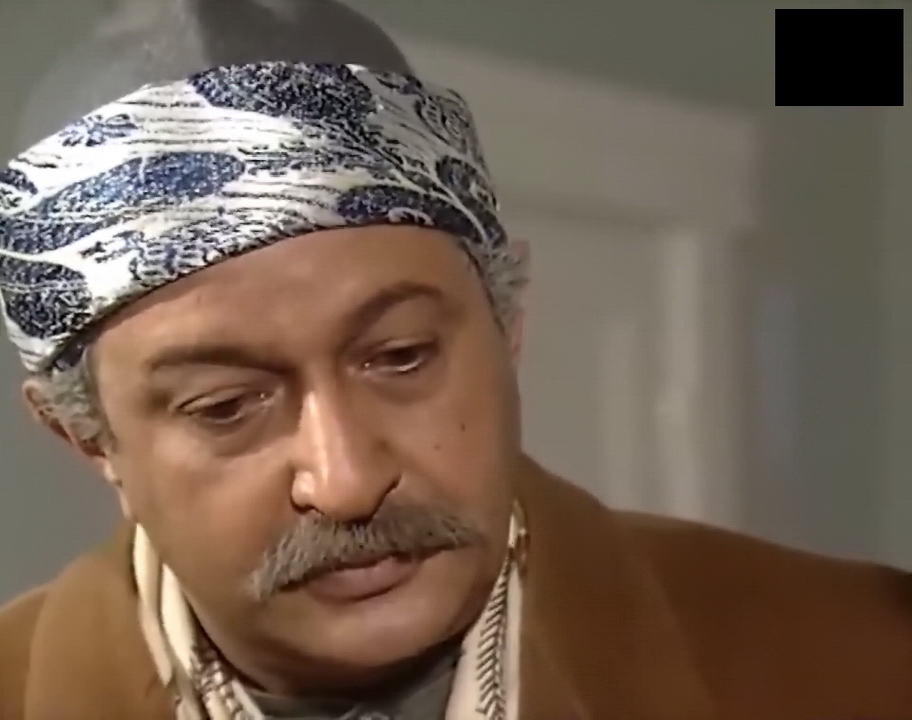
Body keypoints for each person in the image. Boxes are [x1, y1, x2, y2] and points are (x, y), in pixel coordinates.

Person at [1, 1, 911, 719]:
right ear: (88, 438)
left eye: (400, 357)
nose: (346, 480)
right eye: (226, 406)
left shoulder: (861, 662)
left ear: (509, 323)